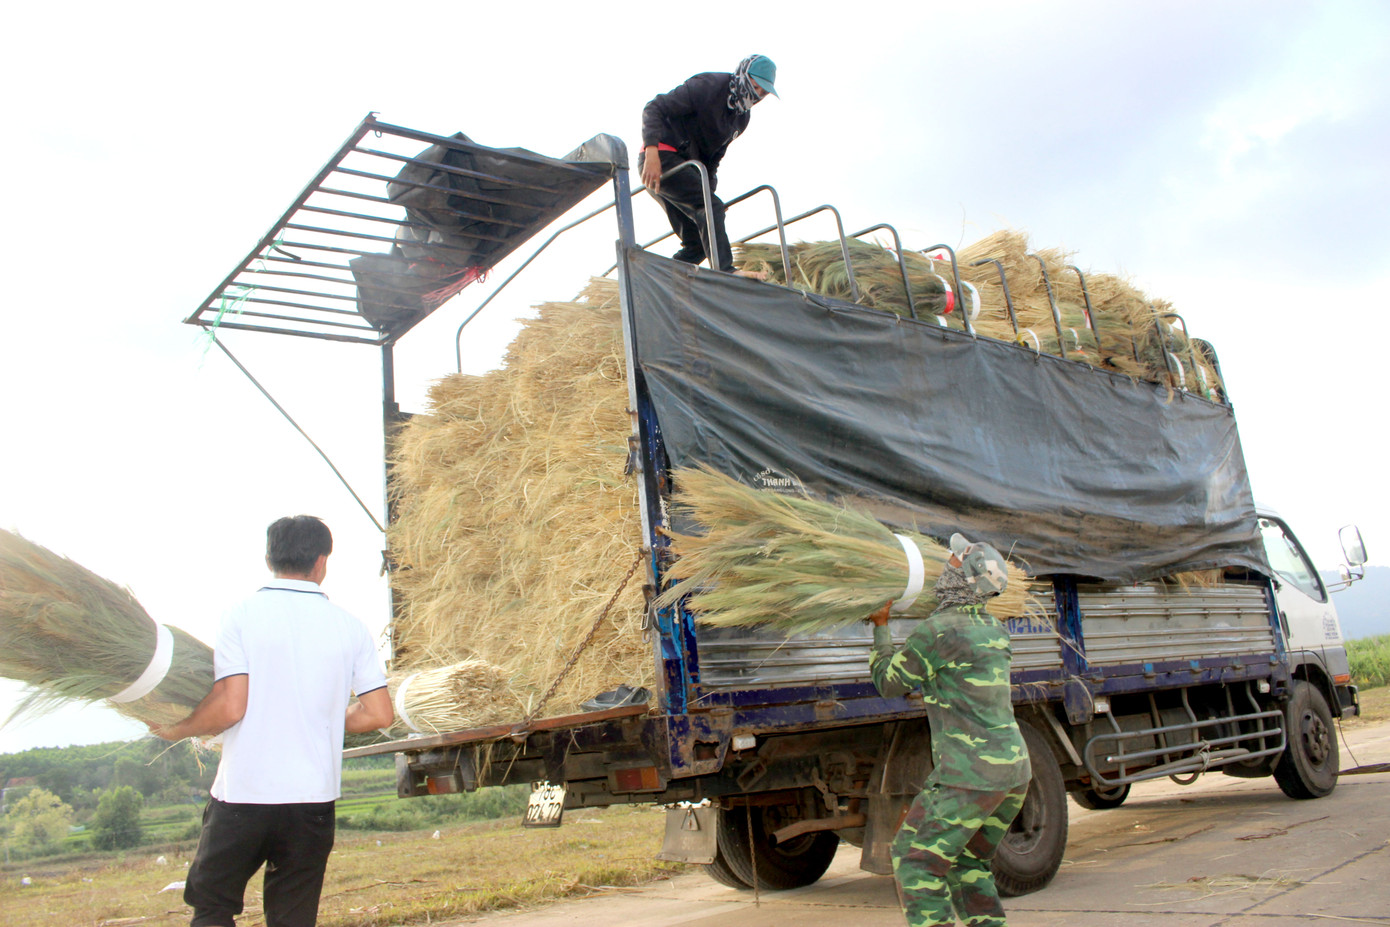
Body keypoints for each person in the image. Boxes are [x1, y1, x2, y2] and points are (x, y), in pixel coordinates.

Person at [151, 515, 394, 927]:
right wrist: (328, 716)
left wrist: (179, 728)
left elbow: (230, 707)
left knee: (213, 907)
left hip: (245, 796)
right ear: (322, 562)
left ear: (269, 559)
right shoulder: (350, 628)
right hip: (312, 802)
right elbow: (378, 713)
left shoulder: (240, 616)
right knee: (293, 918)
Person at [867, 534, 1031, 927]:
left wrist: (881, 628)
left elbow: (889, 683)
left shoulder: (939, 631)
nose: (946, 567)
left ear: (965, 580)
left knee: (915, 860)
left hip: (971, 775)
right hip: (1013, 772)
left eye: (954, 563)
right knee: (968, 861)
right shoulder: (994, 630)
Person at [640, 54, 778, 276]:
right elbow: (654, 108)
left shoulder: (740, 119)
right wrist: (651, 151)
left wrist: (710, 195)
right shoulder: (709, 86)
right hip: (660, 160)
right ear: (744, 75)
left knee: (697, 242)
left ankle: (666, 280)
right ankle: (726, 272)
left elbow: (713, 159)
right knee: (710, 206)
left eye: (764, 92)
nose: (758, 95)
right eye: (756, 86)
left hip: (688, 170)